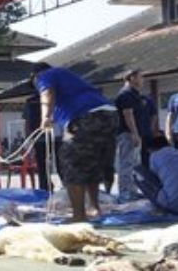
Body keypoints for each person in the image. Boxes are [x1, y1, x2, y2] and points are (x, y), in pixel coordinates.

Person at [31, 62, 118, 222]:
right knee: (92, 163)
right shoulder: (71, 81)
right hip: (109, 115)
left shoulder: (46, 76)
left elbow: (47, 93)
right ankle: (94, 207)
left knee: (71, 163)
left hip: (86, 117)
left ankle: (79, 216)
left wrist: (45, 116)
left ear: (36, 77)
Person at [134, 136, 178, 215]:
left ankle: (157, 206)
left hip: (174, 206)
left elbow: (155, 181)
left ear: (151, 149)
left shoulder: (155, 156)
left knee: (137, 171)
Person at [113, 69, 148, 201]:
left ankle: (133, 190)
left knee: (135, 163)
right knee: (127, 163)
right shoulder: (125, 94)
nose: (142, 80)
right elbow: (128, 115)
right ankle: (125, 192)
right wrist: (134, 133)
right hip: (127, 133)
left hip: (135, 132)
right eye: (140, 77)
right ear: (132, 78)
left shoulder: (135, 94)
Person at [23, 93, 62, 191]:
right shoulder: (31, 101)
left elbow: (27, 122)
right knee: (43, 165)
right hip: (40, 137)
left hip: (56, 137)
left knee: (59, 164)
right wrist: (28, 139)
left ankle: (67, 187)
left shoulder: (58, 98)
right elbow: (27, 121)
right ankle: (45, 187)